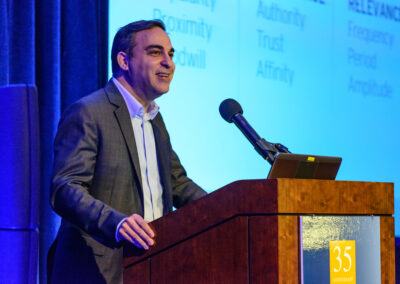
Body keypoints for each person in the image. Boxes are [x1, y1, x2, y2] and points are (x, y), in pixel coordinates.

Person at [49, 19, 207, 284]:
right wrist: (117, 224)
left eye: (170, 54)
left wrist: (228, 208)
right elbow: (65, 189)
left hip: (153, 267)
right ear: (124, 61)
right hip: (97, 271)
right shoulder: (90, 112)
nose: (169, 63)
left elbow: (178, 184)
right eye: (156, 52)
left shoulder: (155, 120)